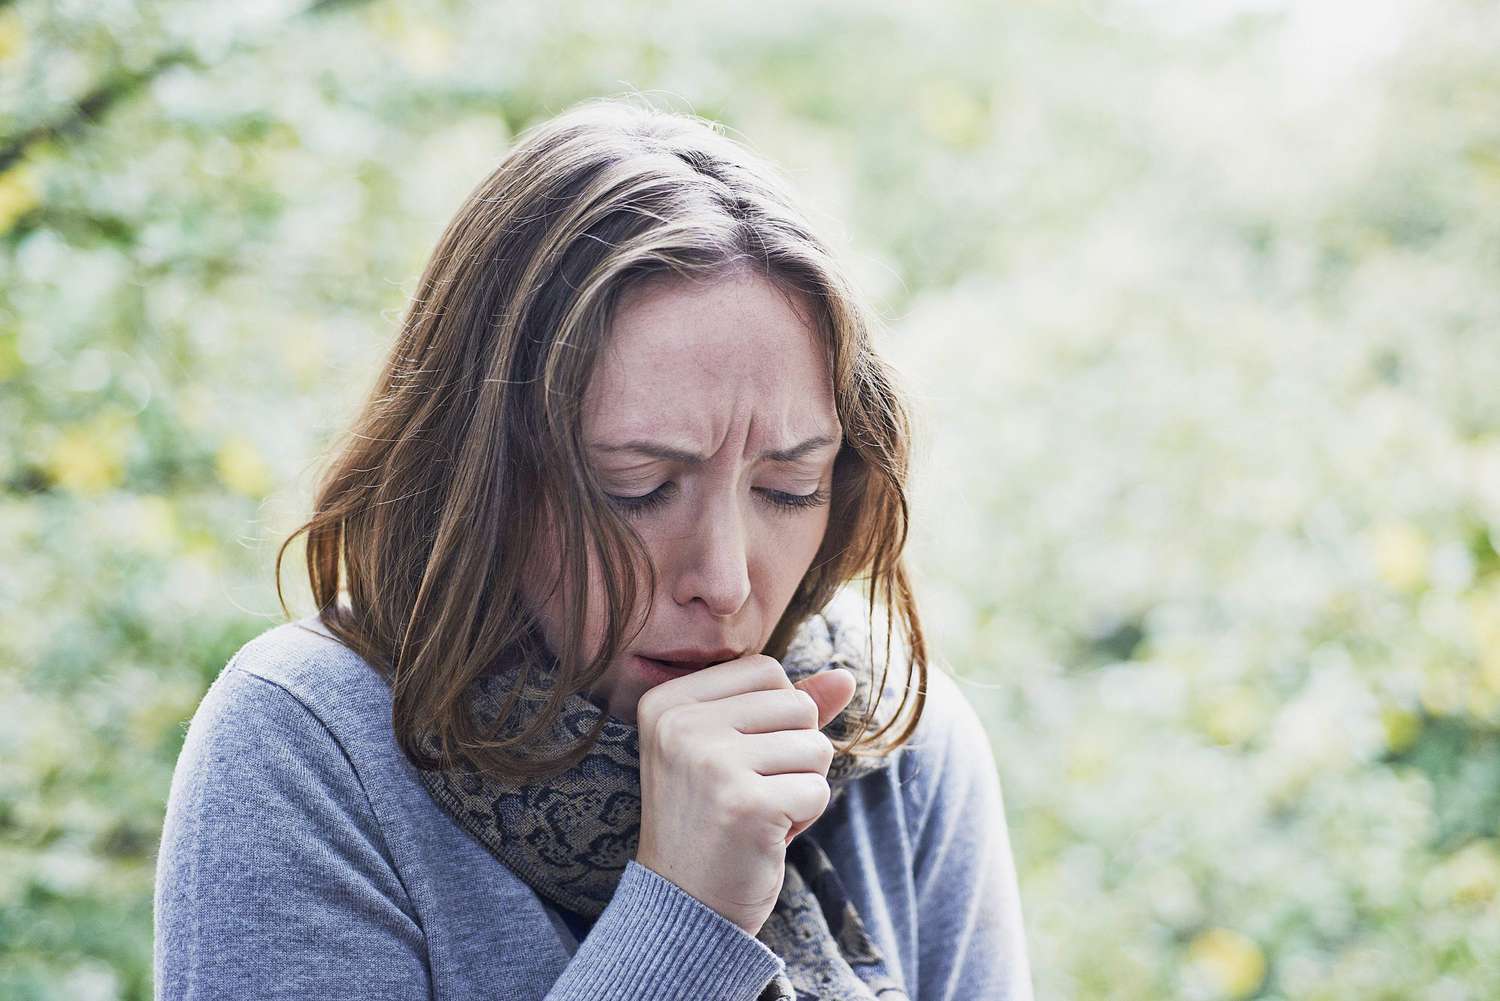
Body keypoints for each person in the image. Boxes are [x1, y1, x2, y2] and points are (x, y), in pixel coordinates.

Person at [152, 96, 1035, 1001]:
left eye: (787, 488)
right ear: (485, 476)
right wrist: (687, 915)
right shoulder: (307, 745)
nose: (725, 581)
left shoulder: (893, 738)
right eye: (638, 490)